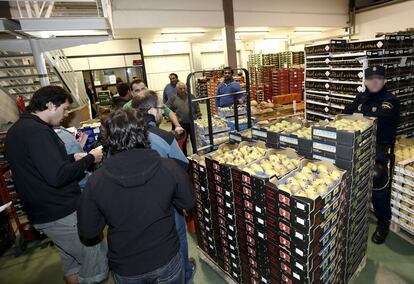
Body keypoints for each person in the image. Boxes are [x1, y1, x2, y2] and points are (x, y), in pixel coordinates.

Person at [77, 108, 195, 284]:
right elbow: (187, 201)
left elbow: (89, 230)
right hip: (165, 256)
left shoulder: (96, 181)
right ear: (144, 132)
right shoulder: (169, 167)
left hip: (127, 266)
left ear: (109, 138)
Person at [5, 85, 108, 284]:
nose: (66, 114)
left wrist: (70, 158)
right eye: (64, 108)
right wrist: (89, 159)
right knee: (95, 262)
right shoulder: (38, 132)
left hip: (43, 213)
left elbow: (39, 165)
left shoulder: (19, 130)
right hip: (61, 213)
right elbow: (57, 176)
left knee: (72, 263)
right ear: (50, 105)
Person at [131, 90, 197, 283]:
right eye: (161, 109)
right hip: (165, 202)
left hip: (132, 205)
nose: (163, 113)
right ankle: (184, 272)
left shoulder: (124, 134)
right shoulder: (163, 137)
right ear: (152, 110)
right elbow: (182, 166)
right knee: (177, 235)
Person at [343, 66, 400, 244]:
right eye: (371, 79)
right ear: (365, 81)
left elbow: (377, 119)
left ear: (384, 81)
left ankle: (383, 221)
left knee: (377, 177)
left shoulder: (390, 100)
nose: (375, 82)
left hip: (378, 147)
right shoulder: (360, 97)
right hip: (358, 143)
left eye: (379, 78)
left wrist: (357, 115)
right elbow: (347, 114)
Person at [166, 82, 201, 156]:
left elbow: (197, 107)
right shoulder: (173, 98)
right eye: (180, 89)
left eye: (184, 88)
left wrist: (199, 115)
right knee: (182, 143)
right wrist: (171, 115)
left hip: (192, 123)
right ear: (176, 89)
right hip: (180, 125)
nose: (182, 90)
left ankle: (196, 156)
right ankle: (185, 157)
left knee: (195, 142)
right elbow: (166, 108)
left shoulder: (191, 96)